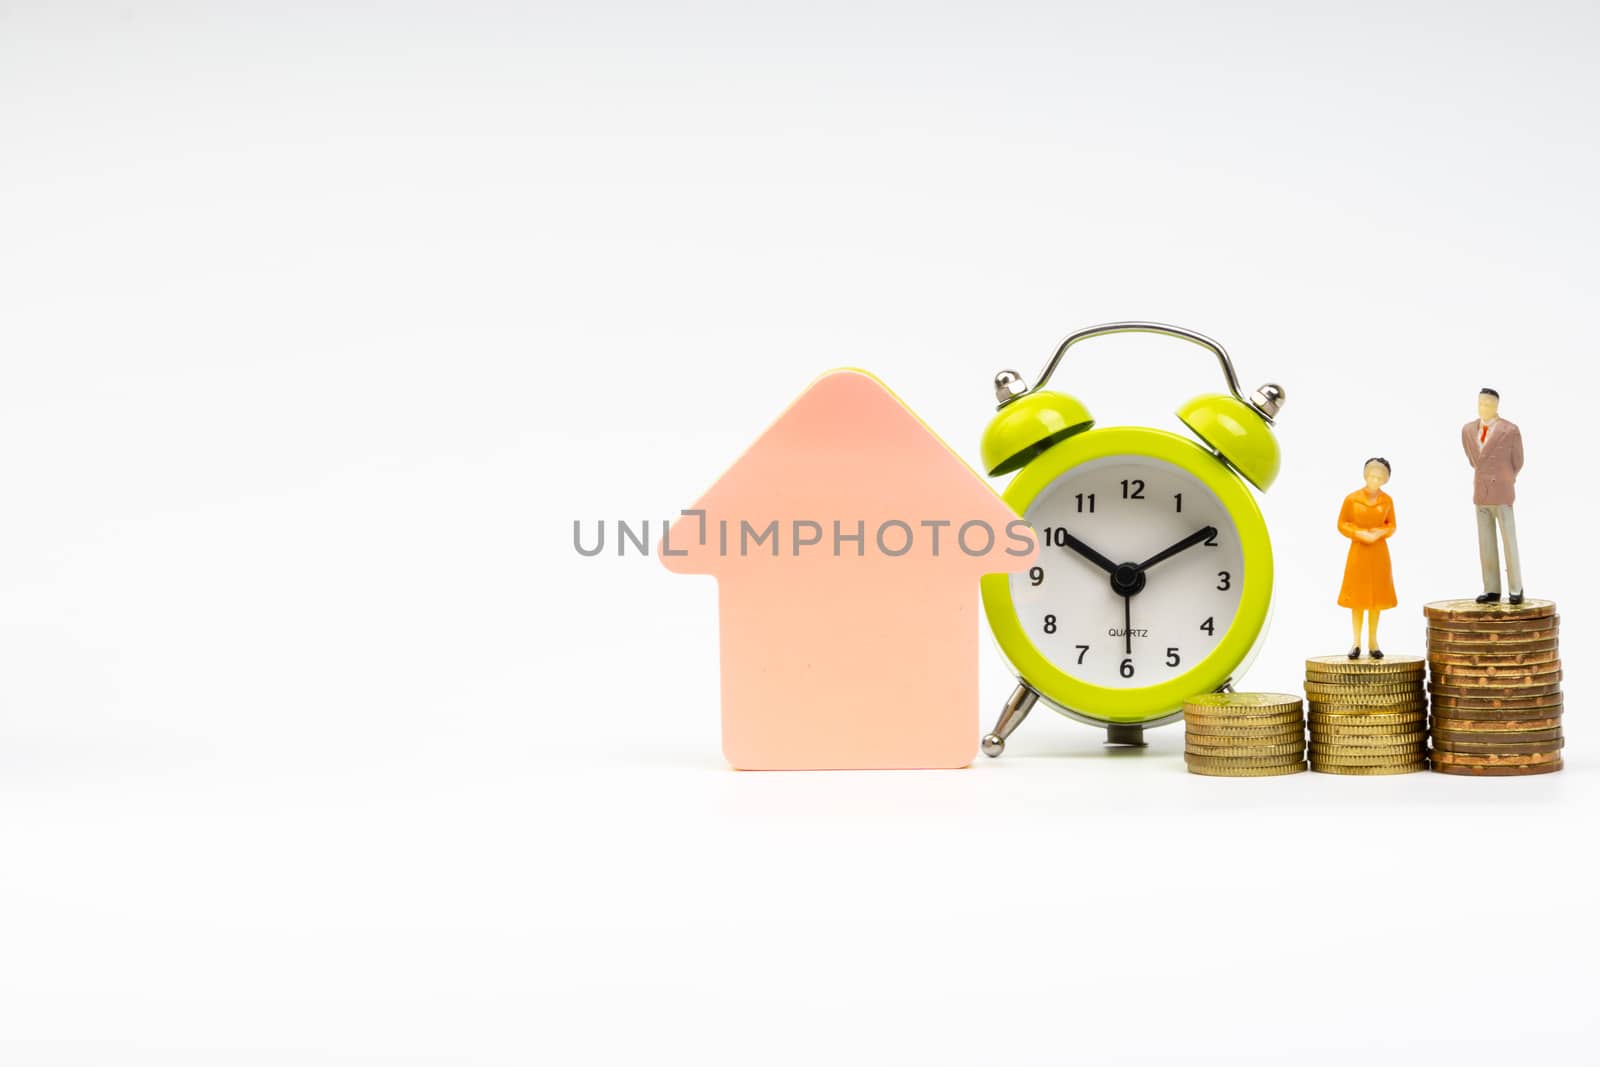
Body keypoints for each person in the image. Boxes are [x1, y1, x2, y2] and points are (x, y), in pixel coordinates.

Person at [1461, 388, 1524, 604]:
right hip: (1480, 491)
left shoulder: (1510, 430)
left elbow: (1518, 461)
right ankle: (1492, 589)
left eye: (1488, 404)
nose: (1483, 408)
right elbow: (1473, 459)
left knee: (1509, 540)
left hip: (1502, 489)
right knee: (1485, 542)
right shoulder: (1468, 430)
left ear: (1497, 406)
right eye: (1480, 403)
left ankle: (1516, 589)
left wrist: (1506, 478)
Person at [1337, 457, 1397, 659]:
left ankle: (1373, 641)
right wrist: (1358, 533)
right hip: (1359, 552)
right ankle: (1356, 642)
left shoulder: (1387, 500)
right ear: (1365, 475)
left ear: (1385, 479)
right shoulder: (1352, 499)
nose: (1375, 480)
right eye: (1372, 475)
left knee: (1376, 599)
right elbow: (1342, 523)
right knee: (1358, 598)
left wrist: (1379, 533)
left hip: (1379, 553)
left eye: (1380, 477)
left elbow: (1391, 525)